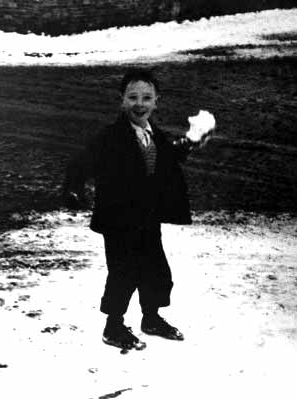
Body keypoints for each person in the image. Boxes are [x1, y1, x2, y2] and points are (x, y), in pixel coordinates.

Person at [63, 68, 211, 352]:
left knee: (155, 270)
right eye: (133, 97)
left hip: (147, 217)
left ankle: (151, 319)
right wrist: (73, 190)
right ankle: (113, 325)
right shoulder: (110, 137)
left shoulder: (154, 134)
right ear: (122, 101)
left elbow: (169, 155)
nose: (139, 104)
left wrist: (190, 142)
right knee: (123, 272)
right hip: (118, 219)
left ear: (157, 101)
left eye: (146, 97)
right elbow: (80, 164)